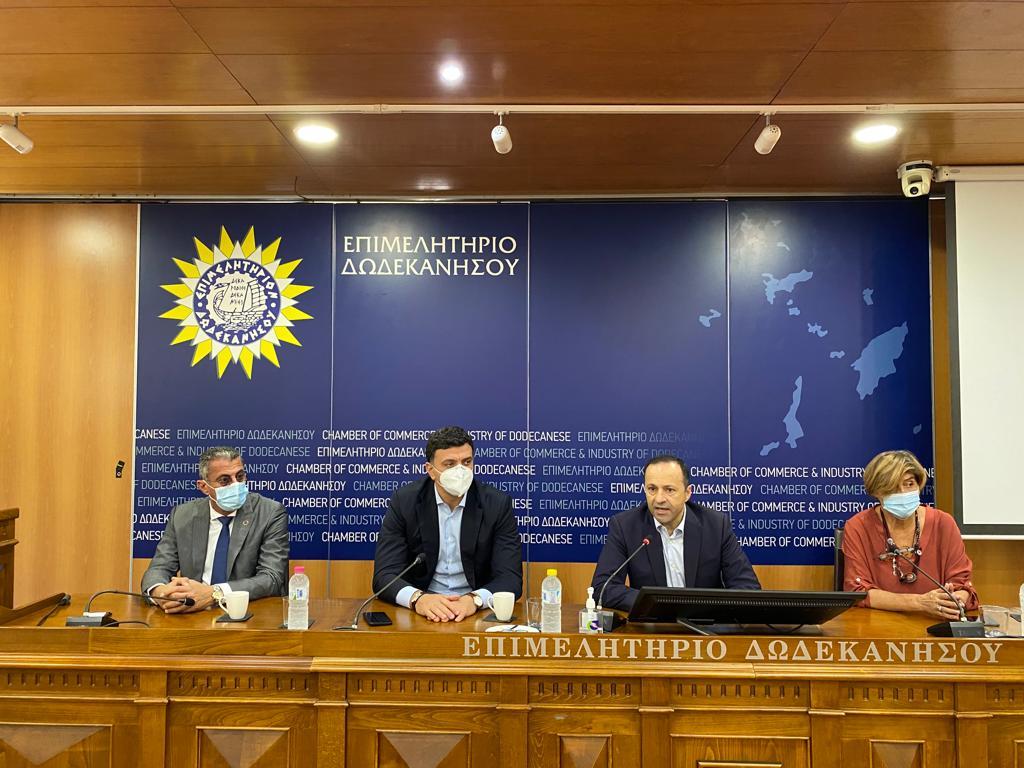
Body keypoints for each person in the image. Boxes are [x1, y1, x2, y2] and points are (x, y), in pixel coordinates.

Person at [372, 426, 522, 622]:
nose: (460, 471)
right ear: (430, 470)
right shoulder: (405, 502)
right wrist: (418, 599)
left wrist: (475, 600)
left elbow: (510, 578)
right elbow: (384, 575)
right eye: (450, 464)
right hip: (422, 611)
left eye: (466, 462)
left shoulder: (496, 504)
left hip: (476, 613)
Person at [591, 455, 760, 612]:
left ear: (687, 493)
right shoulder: (625, 526)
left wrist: (708, 608)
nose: (659, 499)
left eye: (669, 490)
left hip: (706, 625)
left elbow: (747, 587)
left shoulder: (716, 526)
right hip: (652, 625)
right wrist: (655, 603)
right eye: (652, 489)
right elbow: (602, 587)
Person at [141, 446, 289, 613]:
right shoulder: (182, 515)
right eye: (225, 480)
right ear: (204, 487)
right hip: (191, 613)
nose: (236, 485)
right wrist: (161, 593)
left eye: (240, 477)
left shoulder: (269, 513)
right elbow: (159, 568)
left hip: (246, 612)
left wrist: (214, 593)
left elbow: (272, 577)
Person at [842, 449, 978, 619]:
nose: (903, 493)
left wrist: (956, 599)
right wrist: (920, 603)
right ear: (876, 492)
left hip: (935, 623)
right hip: (879, 625)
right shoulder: (858, 527)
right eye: (893, 488)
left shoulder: (943, 523)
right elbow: (858, 591)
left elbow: (962, 585)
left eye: (909, 484)